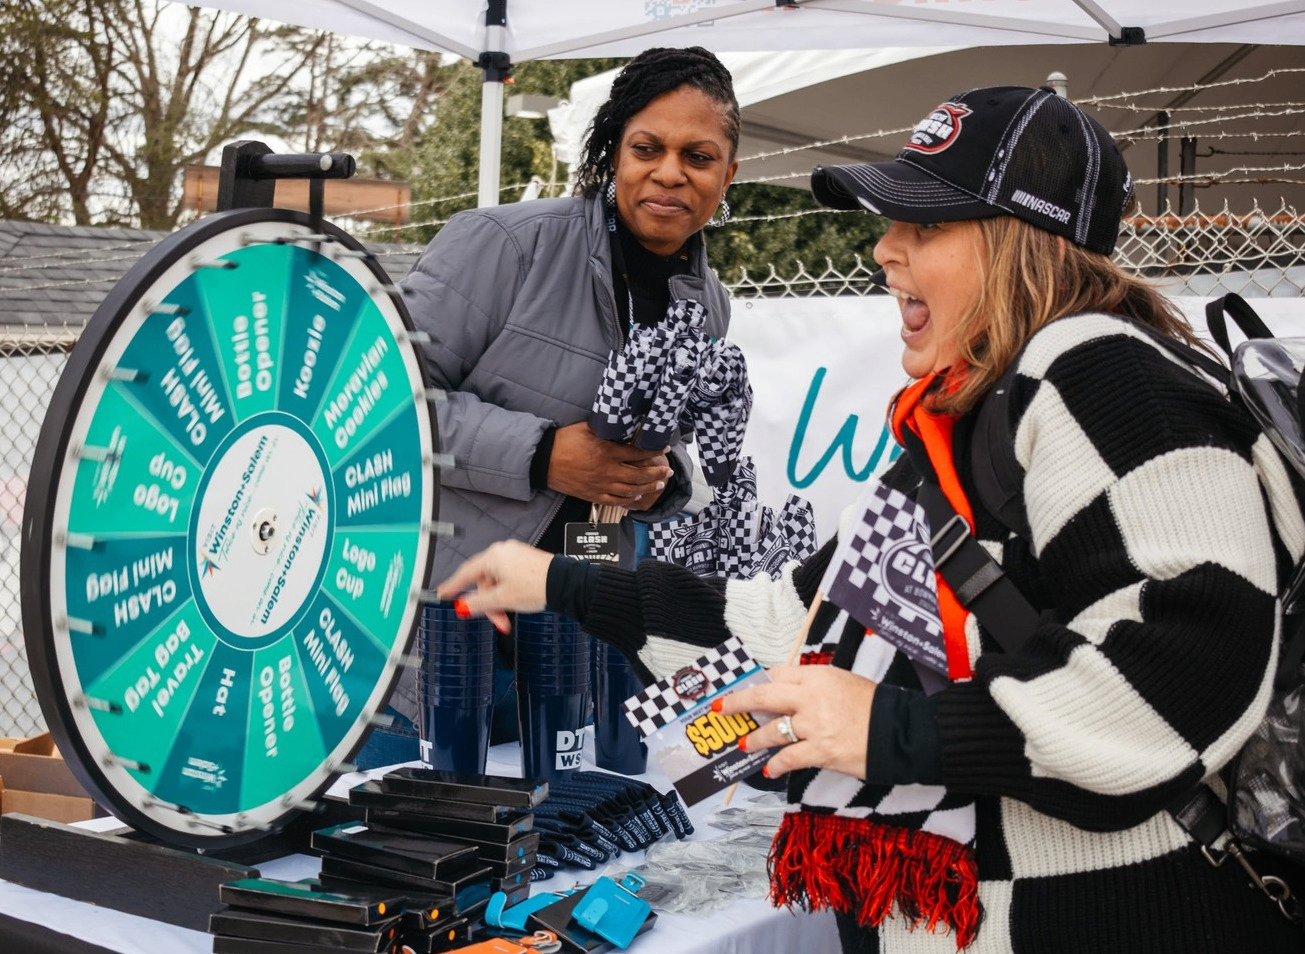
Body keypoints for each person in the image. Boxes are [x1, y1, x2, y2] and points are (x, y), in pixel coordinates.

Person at [437, 86, 1305, 952]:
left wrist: (891, 730)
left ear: (1020, 242)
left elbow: (1182, 673)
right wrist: (561, 582)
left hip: (1099, 917)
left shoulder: (1099, 368)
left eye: (925, 225)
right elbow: (789, 624)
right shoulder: (965, 418)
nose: (885, 248)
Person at [356, 47, 741, 768]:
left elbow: (667, 446)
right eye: (647, 149)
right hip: (421, 656)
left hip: (565, 664)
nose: (669, 173)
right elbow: (372, 407)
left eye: (698, 156)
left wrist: (662, 483)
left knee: (542, 832)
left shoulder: (708, 305)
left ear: (728, 174)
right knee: (403, 831)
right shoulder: (506, 244)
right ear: (614, 152)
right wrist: (541, 456)